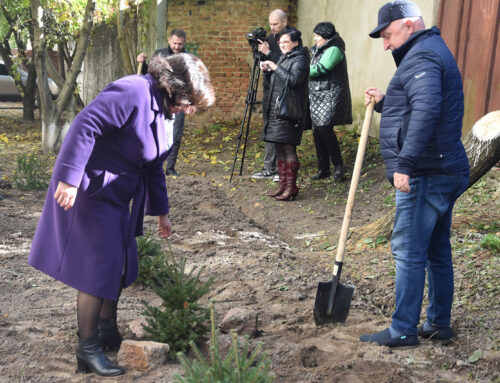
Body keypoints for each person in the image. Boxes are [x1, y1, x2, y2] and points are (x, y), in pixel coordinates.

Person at [28, 53, 215, 376]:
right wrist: (70, 179)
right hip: (88, 190)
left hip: (117, 195)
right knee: (97, 267)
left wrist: (161, 212)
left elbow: (154, 163)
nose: (190, 110)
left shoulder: (163, 108)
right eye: (189, 102)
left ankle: (106, 330)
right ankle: (87, 349)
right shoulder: (132, 91)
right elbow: (85, 124)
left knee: (118, 261)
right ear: (175, 85)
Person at [360, 0, 469, 348]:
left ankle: (403, 329)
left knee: (408, 250)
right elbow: (417, 103)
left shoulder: (421, 56)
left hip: (427, 171)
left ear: (409, 25)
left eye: (388, 35)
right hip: (443, 168)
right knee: (436, 249)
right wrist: (388, 98)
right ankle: (438, 323)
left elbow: (425, 111)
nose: (386, 44)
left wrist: (404, 165)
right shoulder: (429, 50)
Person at [260, 29, 309, 201]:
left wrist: (275, 67)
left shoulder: (301, 59)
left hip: (290, 111)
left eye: (286, 42)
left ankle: (291, 187)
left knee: (289, 148)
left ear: (296, 43)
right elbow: (275, 82)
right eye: (280, 43)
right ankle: (282, 185)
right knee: (279, 147)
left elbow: (294, 81)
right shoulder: (284, 57)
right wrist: (268, 72)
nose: (282, 46)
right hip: (277, 110)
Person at [252, 9, 297, 180]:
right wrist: (261, 60)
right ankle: (268, 167)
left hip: (285, 91)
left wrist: (268, 53)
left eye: (275, 24)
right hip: (269, 88)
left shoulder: (292, 38)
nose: (272, 28)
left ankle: (281, 168)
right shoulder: (269, 39)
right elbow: (264, 60)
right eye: (270, 24)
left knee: (282, 129)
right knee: (269, 127)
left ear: (285, 22)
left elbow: (288, 62)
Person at [137, 29, 188, 177]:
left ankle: (170, 168)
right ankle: (154, 164)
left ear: (184, 43)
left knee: (176, 135)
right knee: (155, 132)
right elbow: (149, 74)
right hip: (160, 100)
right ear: (169, 41)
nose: (177, 46)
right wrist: (143, 62)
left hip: (178, 102)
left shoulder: (188, 57)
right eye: (174, 43)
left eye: (180, 44)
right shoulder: (159, 54)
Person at [309, 22, 352, 181]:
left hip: (331, 94)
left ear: (325, 36)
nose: (315, 39)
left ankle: (339, 166)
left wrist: (300, 70)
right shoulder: (321, 49)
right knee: (317, 131)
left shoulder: (334, 49)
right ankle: (323, 168)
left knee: (324, 129)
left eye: (317, 36)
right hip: (319, 95)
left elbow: (321, 69)